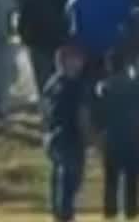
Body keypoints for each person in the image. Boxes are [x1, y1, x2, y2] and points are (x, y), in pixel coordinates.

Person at [94, 48, 139, 220]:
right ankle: (131, 212)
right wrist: (138, 74)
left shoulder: (103, 87)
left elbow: (98, 113)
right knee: (132, 181)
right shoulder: (134, 86)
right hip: (133, 137)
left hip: (111, 138)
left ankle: (110, 212)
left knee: (111, 180)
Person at [42, 44, 88, 222]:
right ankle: (65, 215)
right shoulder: (75, 86)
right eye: (76, 59)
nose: (80, 62)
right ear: (65, 61)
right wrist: (89, 136)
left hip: (53, 137)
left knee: (58, 176)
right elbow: (82, 114)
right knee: (70, 179)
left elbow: (44, 111)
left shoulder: (50, 84)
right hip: (70, 137)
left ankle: (58, 213)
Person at [18, 0, 72, 97]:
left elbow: (23, 23)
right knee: (56, 83)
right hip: (51, 46)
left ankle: (50, 112)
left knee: (47, 85)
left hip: (44, 47)